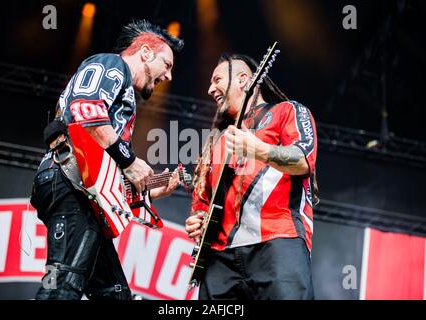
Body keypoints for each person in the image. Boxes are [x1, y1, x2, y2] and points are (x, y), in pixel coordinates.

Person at [30, 19, 184, 300]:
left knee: (114, 294)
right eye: (168, 64)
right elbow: (85, 108)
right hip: (69, 183)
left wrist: (149, 192)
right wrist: (129, 160)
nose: (169, 76)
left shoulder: (122, 92)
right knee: (64, 283)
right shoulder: (113, 64)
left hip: (81, 190)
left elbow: (103, 176)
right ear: (146, 52)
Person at [185, 53, 319, 300]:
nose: (209, 89)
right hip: (220, 258)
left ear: (243, 80)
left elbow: (302, 160)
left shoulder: (287, 111)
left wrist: (258, 149)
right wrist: (198, 219)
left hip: (277, 240)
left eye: (217, 80)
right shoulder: (216, 142)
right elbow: (202, 201)